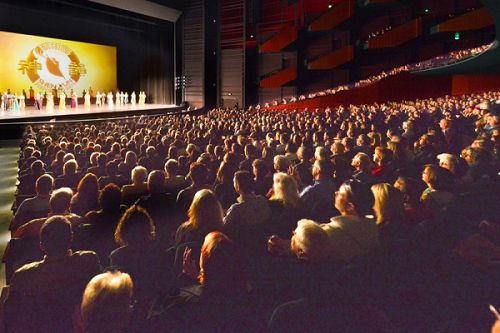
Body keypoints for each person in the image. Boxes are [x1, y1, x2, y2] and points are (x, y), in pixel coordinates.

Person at [4, 216, 101, 333]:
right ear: (71, 238)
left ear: (41, 245)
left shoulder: (23, 276)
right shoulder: (89, 261)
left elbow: (10, 317)